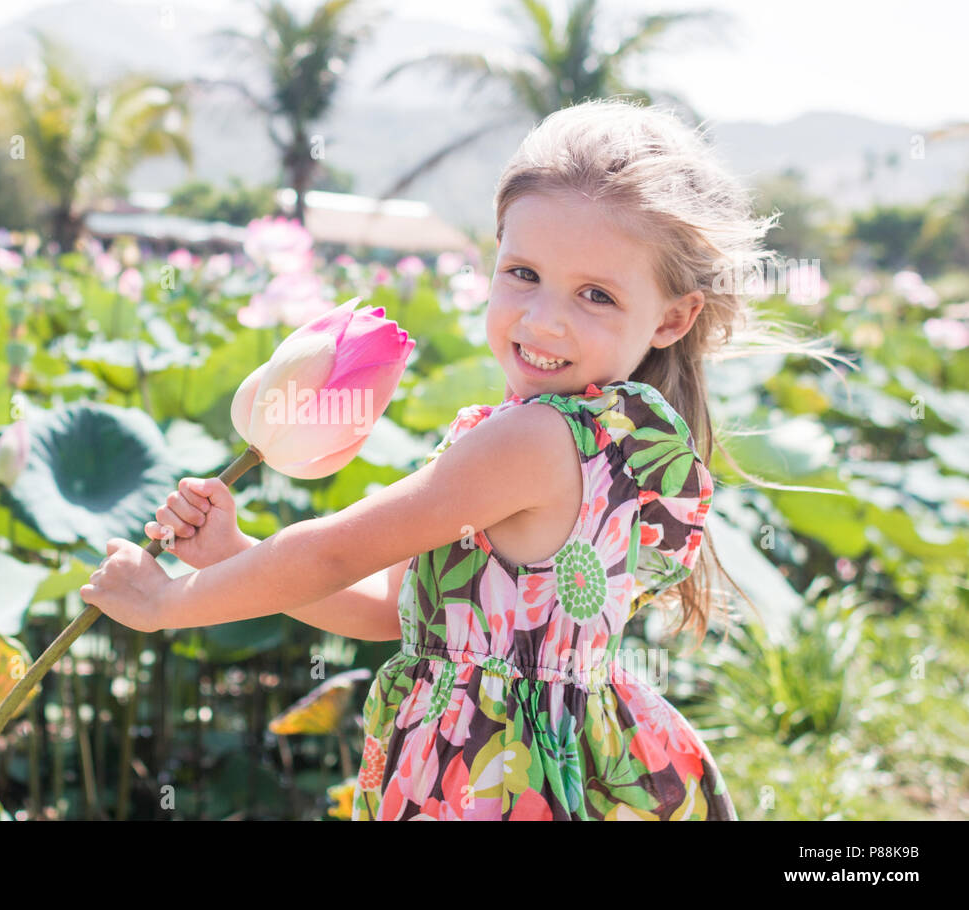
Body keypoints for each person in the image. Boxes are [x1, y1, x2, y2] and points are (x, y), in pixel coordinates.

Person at [82, 97, 854, 820]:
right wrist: (235, 557)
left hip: (498, 773)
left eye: (596, 295)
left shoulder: (534, 439)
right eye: (523, 274)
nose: (543, 320)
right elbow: (393, 612)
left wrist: (172, 603)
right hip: (564, 759)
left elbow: (335, 550)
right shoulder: (612, 438)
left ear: (673, 317)